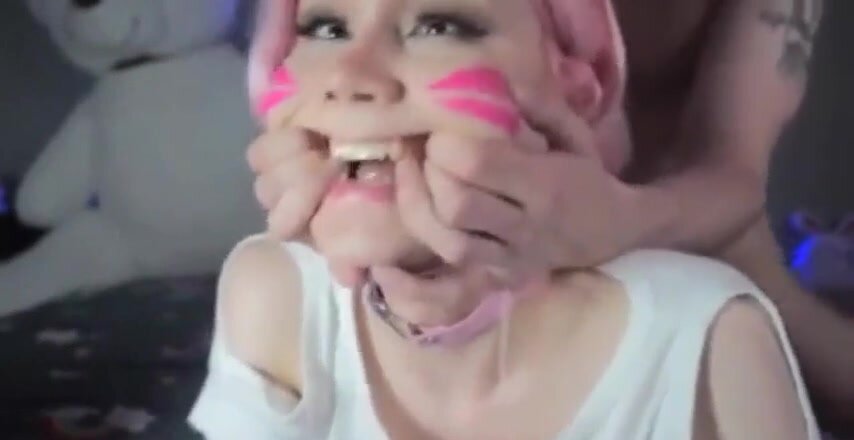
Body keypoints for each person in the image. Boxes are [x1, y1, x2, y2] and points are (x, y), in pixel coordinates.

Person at [188, 0, 821, 438]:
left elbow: (733, 177)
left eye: (440, 24)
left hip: (702, 241)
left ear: (580, 85)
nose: (349, 76)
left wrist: (614, 219)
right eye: (325, 27)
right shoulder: (276, 299)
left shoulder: (709, 333)